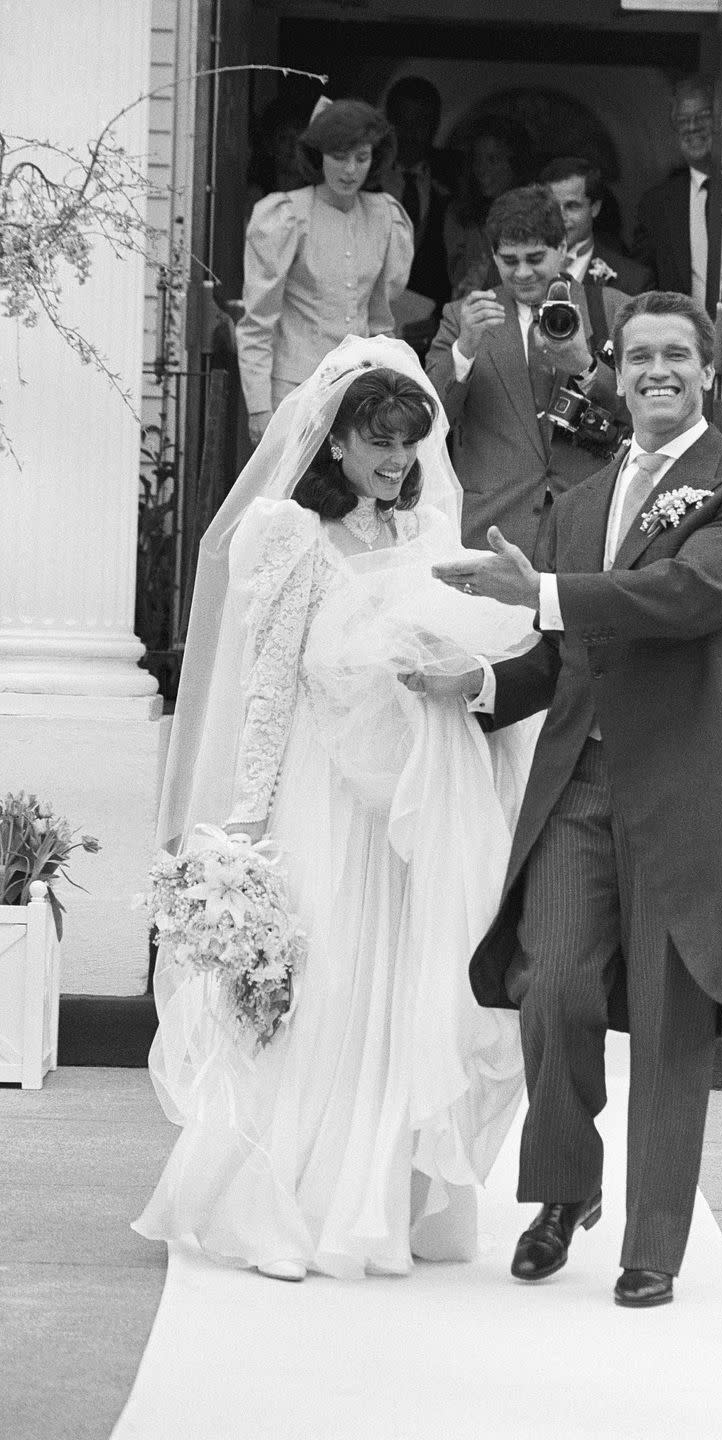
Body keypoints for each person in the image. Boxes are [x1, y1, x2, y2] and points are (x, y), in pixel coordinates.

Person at [422, 291, 722, 1307]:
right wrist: (489, 687)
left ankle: (653, 1247)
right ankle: (560, 1189)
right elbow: (565, 656)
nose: (656, 371)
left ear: (708, 370)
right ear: (614, 370)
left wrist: (539, 593)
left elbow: (685, 600)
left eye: (676, 354)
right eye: (638, 356)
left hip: (680, 793)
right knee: (551, 984)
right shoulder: (582, 504)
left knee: (672, 1018)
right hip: (578, 785)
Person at [135, 336, 538, 1283]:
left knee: (403, 979)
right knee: (329, 978)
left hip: (408, 791)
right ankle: (284, 1199)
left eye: (409, 441)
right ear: (334, 444)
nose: (397, 461)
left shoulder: (428, 537)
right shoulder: (290, 535)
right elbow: (268, 687)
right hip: (323, 786)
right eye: (378, 441)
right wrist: (245, 823)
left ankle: (383, 1197)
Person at [426, 184, 630, 560]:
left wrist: (586, 369)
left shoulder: (613, 309)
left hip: (587, 524)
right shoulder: (462, 317)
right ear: (493, 255)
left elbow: (643, 414)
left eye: (535, 258)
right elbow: (428, 420)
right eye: (509, 260)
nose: (521, 272)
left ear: (563, 248)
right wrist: (465, 349)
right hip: (491, 523)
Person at [235, 99, 413, 448]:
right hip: (295, 393)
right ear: (318, 155)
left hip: (361, 394)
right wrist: (258, 408)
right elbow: (257, 323)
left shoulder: (385, 216)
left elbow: (380, 321)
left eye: (361, 158)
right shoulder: (286, 215)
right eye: (339, 157)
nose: (350, 170)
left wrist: (390, 392)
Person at [631, 78, 722, 320]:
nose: (692, 127)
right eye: (683, 121)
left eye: (702, 116)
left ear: (720, 120)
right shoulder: (656, 205)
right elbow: (643, 284)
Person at [382, 76, 454, 314]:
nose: (410, 133)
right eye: (403, 122)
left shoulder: (455, 178)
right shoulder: (362, 177)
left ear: (434, 126)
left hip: (432, 325)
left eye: (420, 123)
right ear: (388, 123)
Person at [442, 116, 535, 299]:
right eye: (477, 160)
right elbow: (460, 280)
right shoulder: (459, 215)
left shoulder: (536, 217)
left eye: (493, 160)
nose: (481, 169)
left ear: (515, 164)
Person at [540, 155, 650, 297]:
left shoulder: (633, 281)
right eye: (552, 206)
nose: (560, 217)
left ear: (595, 208)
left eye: (571, 206)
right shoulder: (517, 272)